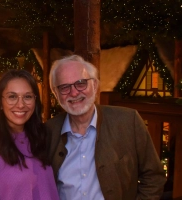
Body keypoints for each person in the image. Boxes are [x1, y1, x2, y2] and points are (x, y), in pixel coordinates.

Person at [46, 55, 166, 200]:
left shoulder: (128, 121)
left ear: (95, 85)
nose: (74, 92)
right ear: (55, 93)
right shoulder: (48, 132)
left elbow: (153, 177)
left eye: (81, 83)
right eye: (64, 87)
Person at [0, 69, 59, 200]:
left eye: (27, 97)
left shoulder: (41, 137)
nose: (20, 105)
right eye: (12, 97)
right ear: (0, 102)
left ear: (35, 101)